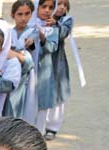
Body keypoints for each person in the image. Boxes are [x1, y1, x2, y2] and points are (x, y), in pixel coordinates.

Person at [46, 0, 74, 140]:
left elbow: (63, 33)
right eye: (59, 4)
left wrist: (55, 24)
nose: (62, 7)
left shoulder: (66, 21)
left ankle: (52, 127)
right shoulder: (41, 18)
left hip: (57, 63)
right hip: (42, 61)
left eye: (65, 5)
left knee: (57, 93)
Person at [9, 0, 39, 124]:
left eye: (27, 14)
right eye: (20, 14)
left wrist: (31, 41)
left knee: (28, 104)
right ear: (13, 15)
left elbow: (33, 41)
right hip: (12, 73)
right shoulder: (9, 33)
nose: (23, 18)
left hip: (27, 74)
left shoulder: (34, 31)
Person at [34, 0, 60, 135]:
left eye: (51, 7)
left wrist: (43, 38)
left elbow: (53, 47)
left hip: (44, 74)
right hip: (30, 76)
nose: (47, 10)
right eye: (43, 6)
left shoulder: (53, 28)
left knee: (41, 111)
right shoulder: (29, 24)